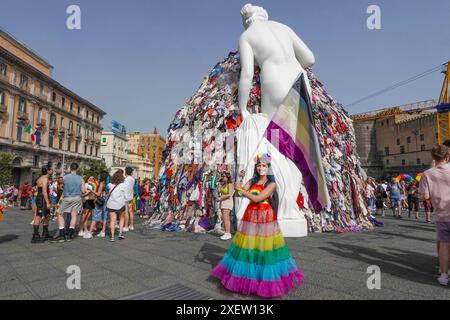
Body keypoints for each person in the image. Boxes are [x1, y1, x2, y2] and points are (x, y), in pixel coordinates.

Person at [212, 153, 303, 298]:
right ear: (256, 167)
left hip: (266, 217)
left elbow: (257, 198)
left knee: (265, 247)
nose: (261, 168)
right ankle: (251, 276)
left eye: (264, 166)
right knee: (250, 246)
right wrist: (240, 179)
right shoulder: (252, 180)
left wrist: (242, 190)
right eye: (259, 165)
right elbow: (239, 191)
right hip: (251, 216)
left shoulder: (272, 184)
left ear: (268, 168)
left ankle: (263, 279)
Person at [418, 145, 450, 286]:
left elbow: (424, 196)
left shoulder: (427, 174)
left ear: (433, 157)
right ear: (447, 156)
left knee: (444, 244)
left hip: (442, 214)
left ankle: (444, 275)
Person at [51, 163, 86, 243]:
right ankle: (70, 235)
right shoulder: (81, 179)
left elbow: (60, 187)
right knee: (74, 215)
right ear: (77, 169)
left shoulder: (64, 178)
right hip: (77, 198)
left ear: (70, 168)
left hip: (67, 197)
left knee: (59, 214)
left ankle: (62, 233)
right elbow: (83, 191)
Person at [31, 166, 53, 243]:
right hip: (42, 198)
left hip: (41, 198)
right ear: (48, 171)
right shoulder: (45, 179)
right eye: (51, 169)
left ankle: (45, 232)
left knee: (47, 215)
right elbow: (44, 191)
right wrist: (47, 202)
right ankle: (35, 236)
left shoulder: (40, 178)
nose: (52, 170)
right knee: (38, 216)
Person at [85, 171, 109, 239]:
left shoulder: (101, 183)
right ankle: (103, 232)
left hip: (100, 200)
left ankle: (89, 233)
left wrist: (91, 190)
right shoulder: (106, 183)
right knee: (104, 216)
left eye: (99, 175)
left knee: (95, 215)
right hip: (105, 199)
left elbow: (98, 194)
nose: (98, 176)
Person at [106, 169, 127, 242]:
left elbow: (107, 191)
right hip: (120, 204)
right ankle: (120, 233)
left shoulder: (109, 185)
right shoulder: (123, 185)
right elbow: (126, 196)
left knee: (112, 220)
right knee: (121, 219)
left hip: (111, 204)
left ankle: (112, 237)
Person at [218, 171, 234, 241]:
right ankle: (226, 232)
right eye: (222, 176)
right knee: (224, 218)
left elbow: (229, 194)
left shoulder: (230, 184)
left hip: (227, 201)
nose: (223, 177)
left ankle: (228, 233)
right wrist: (219, 184)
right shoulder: (223, 184)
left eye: (224, 176)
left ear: (227, 177)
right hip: (223, 202)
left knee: (226, 218)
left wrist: (221, 198)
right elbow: (219, 191)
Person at [123, 167, 136, 232]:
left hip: (126, 197)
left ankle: (126, 226)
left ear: (126, 172)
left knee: (126, 212)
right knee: (130, 211)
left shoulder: (126, 179)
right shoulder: (132, 179)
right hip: (130, 196)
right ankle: (131, 225)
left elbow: (125, 188)